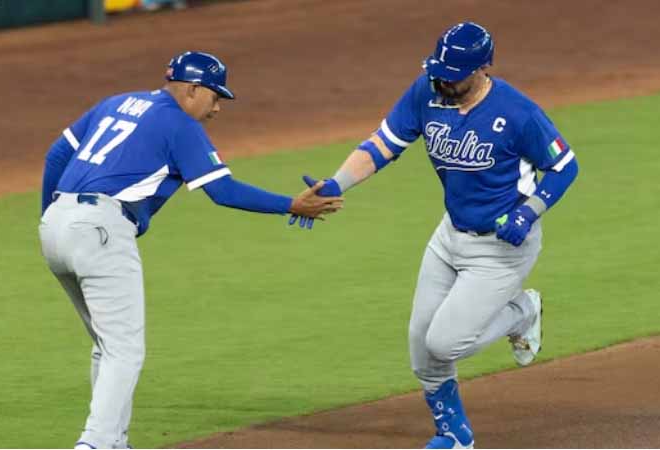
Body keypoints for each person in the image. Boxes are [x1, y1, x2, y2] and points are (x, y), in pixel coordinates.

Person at [292, 22, 579, 448]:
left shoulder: (517, 113)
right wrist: (336, 184)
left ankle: (523, 311)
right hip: (449, 238)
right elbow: (382, 145)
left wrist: (528, 212)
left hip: (501, 250)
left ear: (483, 69)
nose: (442, 80)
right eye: (438, 71)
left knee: (444, 343)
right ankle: (454, 433)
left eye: (453, 74)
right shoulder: (427, 92)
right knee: (420, 347)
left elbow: (565, 165)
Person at [39, 51, 343, 449]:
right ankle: (94, 444)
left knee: (107, 345)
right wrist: (291, 203)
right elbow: (223, 191)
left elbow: (56, 155)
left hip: (57, 224)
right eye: (215, 96)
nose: (217, 107)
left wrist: (52, 216)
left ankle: (113, 442)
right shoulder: (178, 123)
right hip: (101, 229)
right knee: (125, 350)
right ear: (192, 88)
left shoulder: (116, 103)